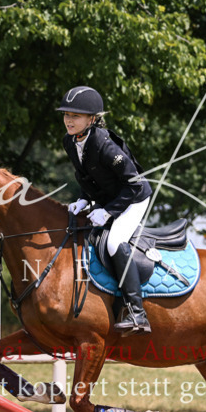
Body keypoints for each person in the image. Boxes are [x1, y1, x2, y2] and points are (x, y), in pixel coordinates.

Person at [59, 85, 153, 335]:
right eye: (67, 114)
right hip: (109, 197)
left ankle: (137, 312)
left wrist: (109, 211)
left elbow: (132, 183)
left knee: (114, 241)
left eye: (75, 115)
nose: (69, 120)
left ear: (92, 119)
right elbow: (88, 177)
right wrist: (83, 199)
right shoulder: (70, 141)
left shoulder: (104, 144)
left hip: (133, 198)